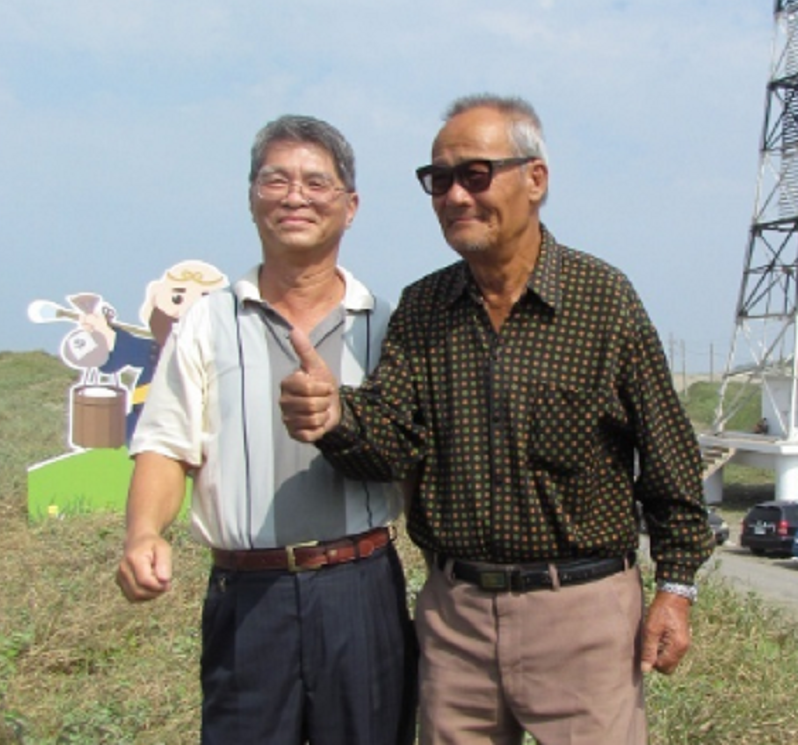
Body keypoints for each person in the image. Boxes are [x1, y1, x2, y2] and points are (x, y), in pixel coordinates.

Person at [280, 94, 714, 745]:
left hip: (584, 616)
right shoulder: (425, 308)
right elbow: (392, 441)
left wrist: (675, 588)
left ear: (535, 179)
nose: (455, 196)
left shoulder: (602, 301)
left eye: (475, 175)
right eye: (439, 180)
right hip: (456, 620)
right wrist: (336, 416)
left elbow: (669, 456)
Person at [115, 115, 414, 745]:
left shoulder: (389, 326)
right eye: (276, 180)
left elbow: (413, 450)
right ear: (251, 197)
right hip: (247, 595)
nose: (294, 196)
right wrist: (144, 534)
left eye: (316, 182)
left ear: (351, 205)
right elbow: (167, 446)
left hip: (360, 590)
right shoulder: (206, 323)